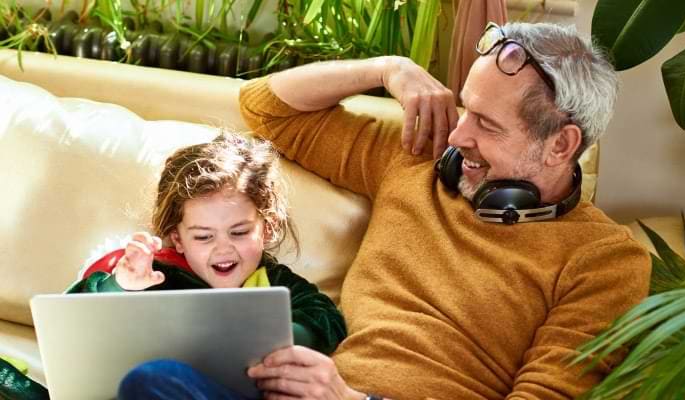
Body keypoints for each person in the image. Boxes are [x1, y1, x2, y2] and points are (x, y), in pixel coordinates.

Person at [238, 22, 651, 400]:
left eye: (487, 125)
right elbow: (265, 108)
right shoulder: (418, 157)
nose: (458, 134)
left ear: (560, 145)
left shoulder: (606, 260)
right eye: (465, 108)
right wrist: (388, 69)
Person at [63, 132, 346, 400]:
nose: (223, 248)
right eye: (203, 237)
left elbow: (327, 318)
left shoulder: (277, 283)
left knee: (152, 378)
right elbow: (73, 322)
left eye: (239, 232)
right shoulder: (159, 276)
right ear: (179, 239)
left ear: (267, 228)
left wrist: (273, 341)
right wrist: (120, 286)